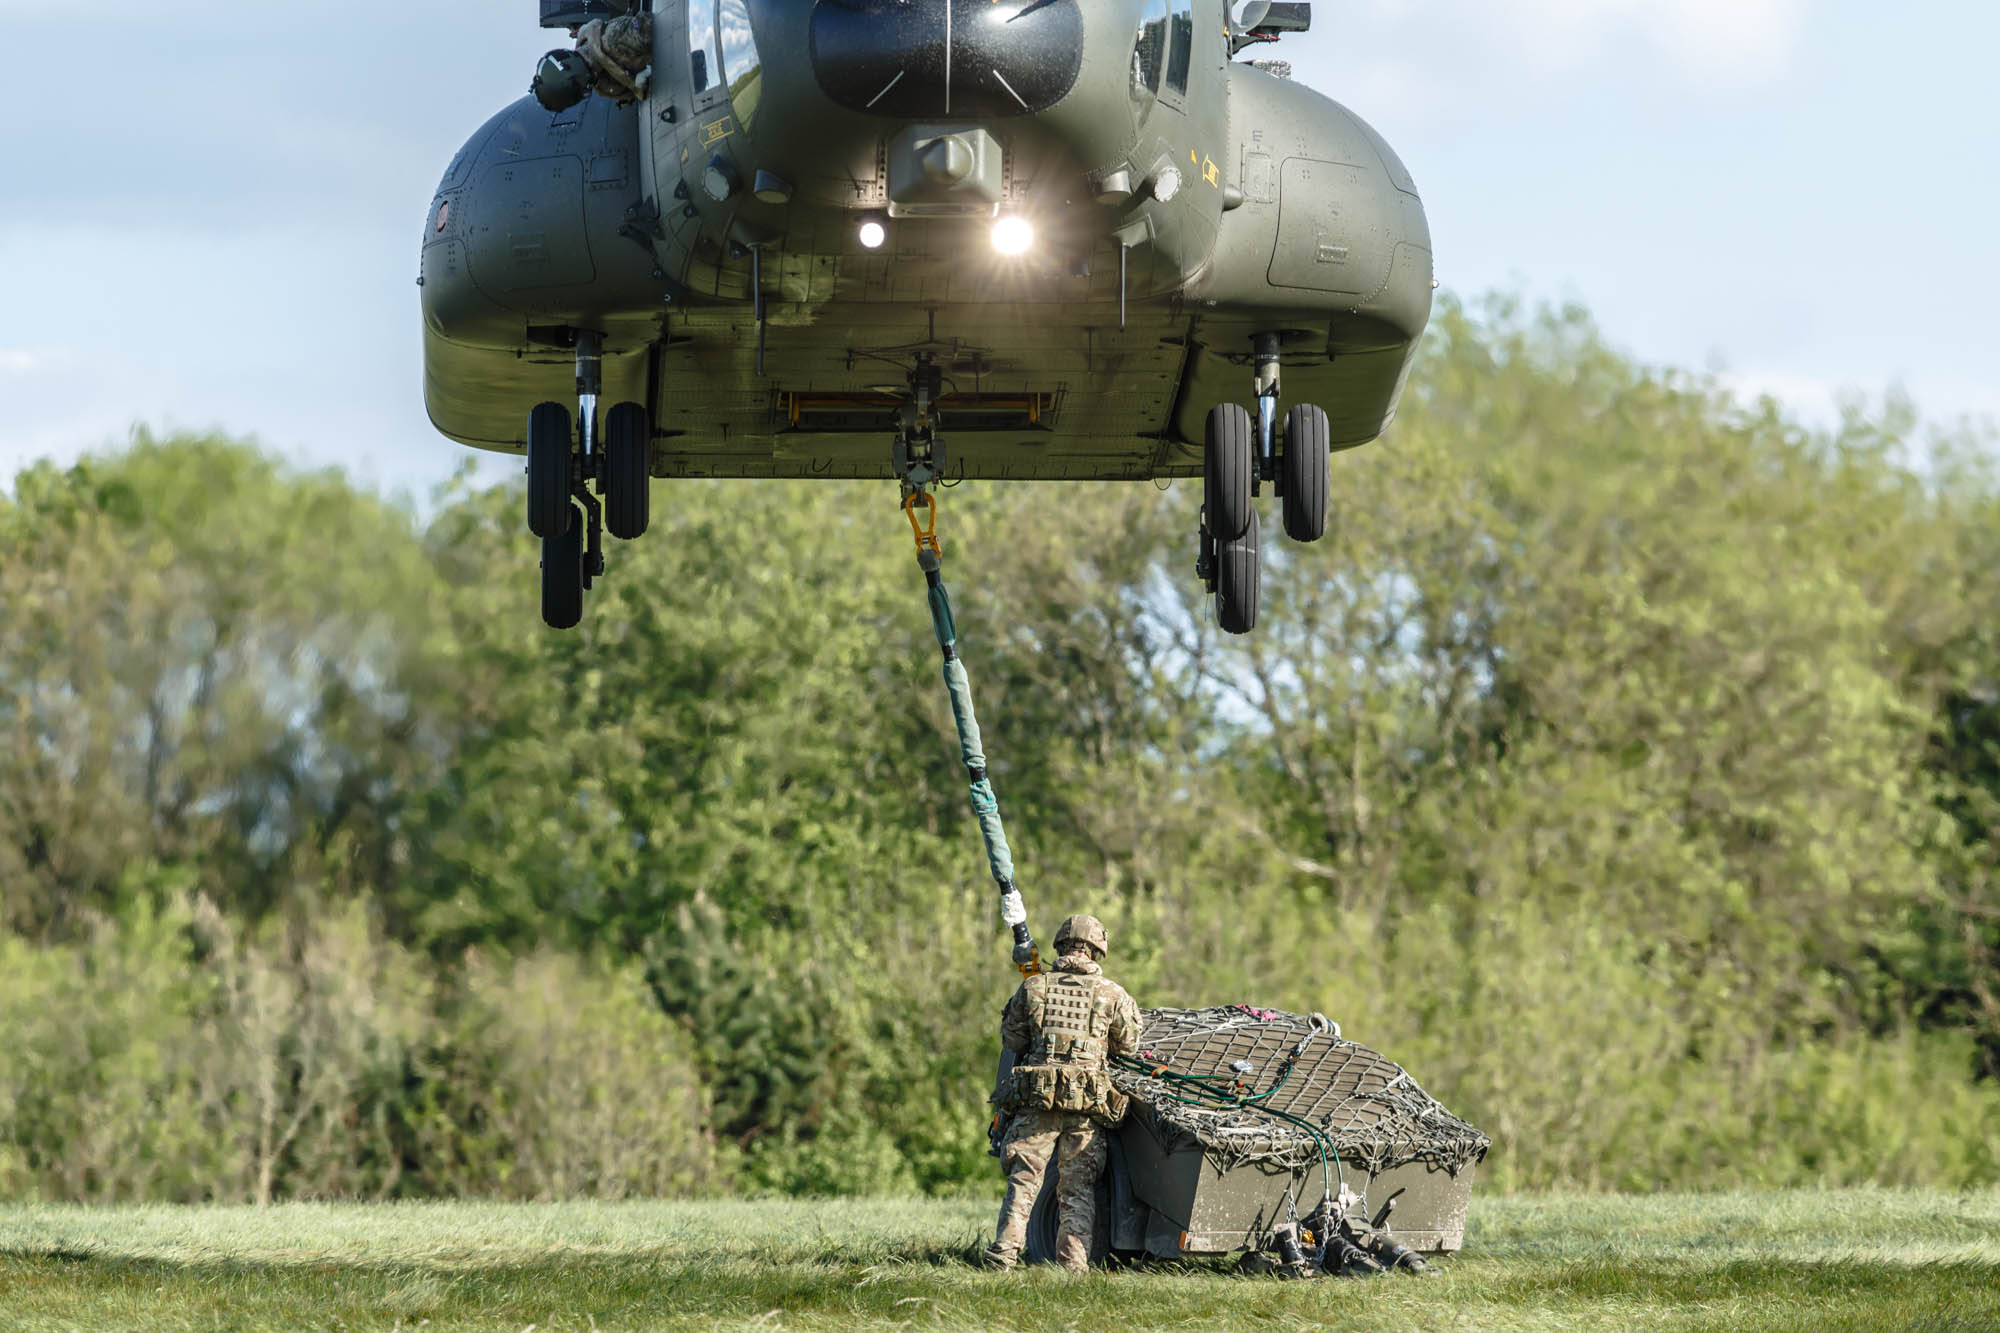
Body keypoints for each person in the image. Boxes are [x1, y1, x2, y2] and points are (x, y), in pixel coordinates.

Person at [983, 913, 1142, 1273]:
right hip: (1085, 1106)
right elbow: (1129, 1045)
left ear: (1060, 945)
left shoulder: (1033, 987)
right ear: (1098, 950)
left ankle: (1003, 1257)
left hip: (1037, 1103)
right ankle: (1073, 1267)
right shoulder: (1112, 994)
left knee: (1024, 1180)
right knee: (1077, 1189)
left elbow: (1013, 1040)